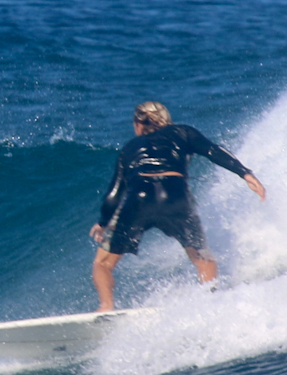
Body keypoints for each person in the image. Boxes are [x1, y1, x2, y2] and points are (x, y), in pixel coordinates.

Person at [89, 101, 266, 311]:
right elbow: (213, 150)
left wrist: (102, 222)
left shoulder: (129, 148)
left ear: (138, 123)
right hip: (176, 197)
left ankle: (106, 306)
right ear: (167, 119)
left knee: (102, 264)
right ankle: (210, 302)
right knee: (203, 258)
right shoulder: (183, 132)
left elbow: (114, 193)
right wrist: (244, 172)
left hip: (139, 198)